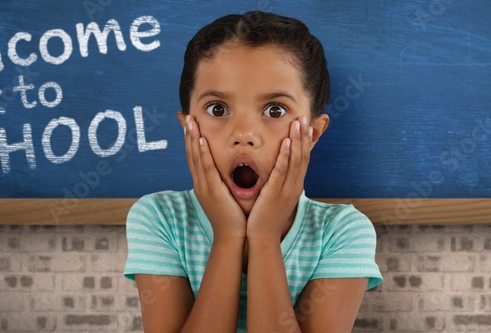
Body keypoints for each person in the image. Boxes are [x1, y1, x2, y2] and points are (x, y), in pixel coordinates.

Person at [122, 11, 382, 332]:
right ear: (188, 127)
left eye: (275, 110)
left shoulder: (342, 232)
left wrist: (264, 237)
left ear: (312, 133)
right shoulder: (159, 217)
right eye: (218, 108)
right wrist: (228, 236)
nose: (243, 133)